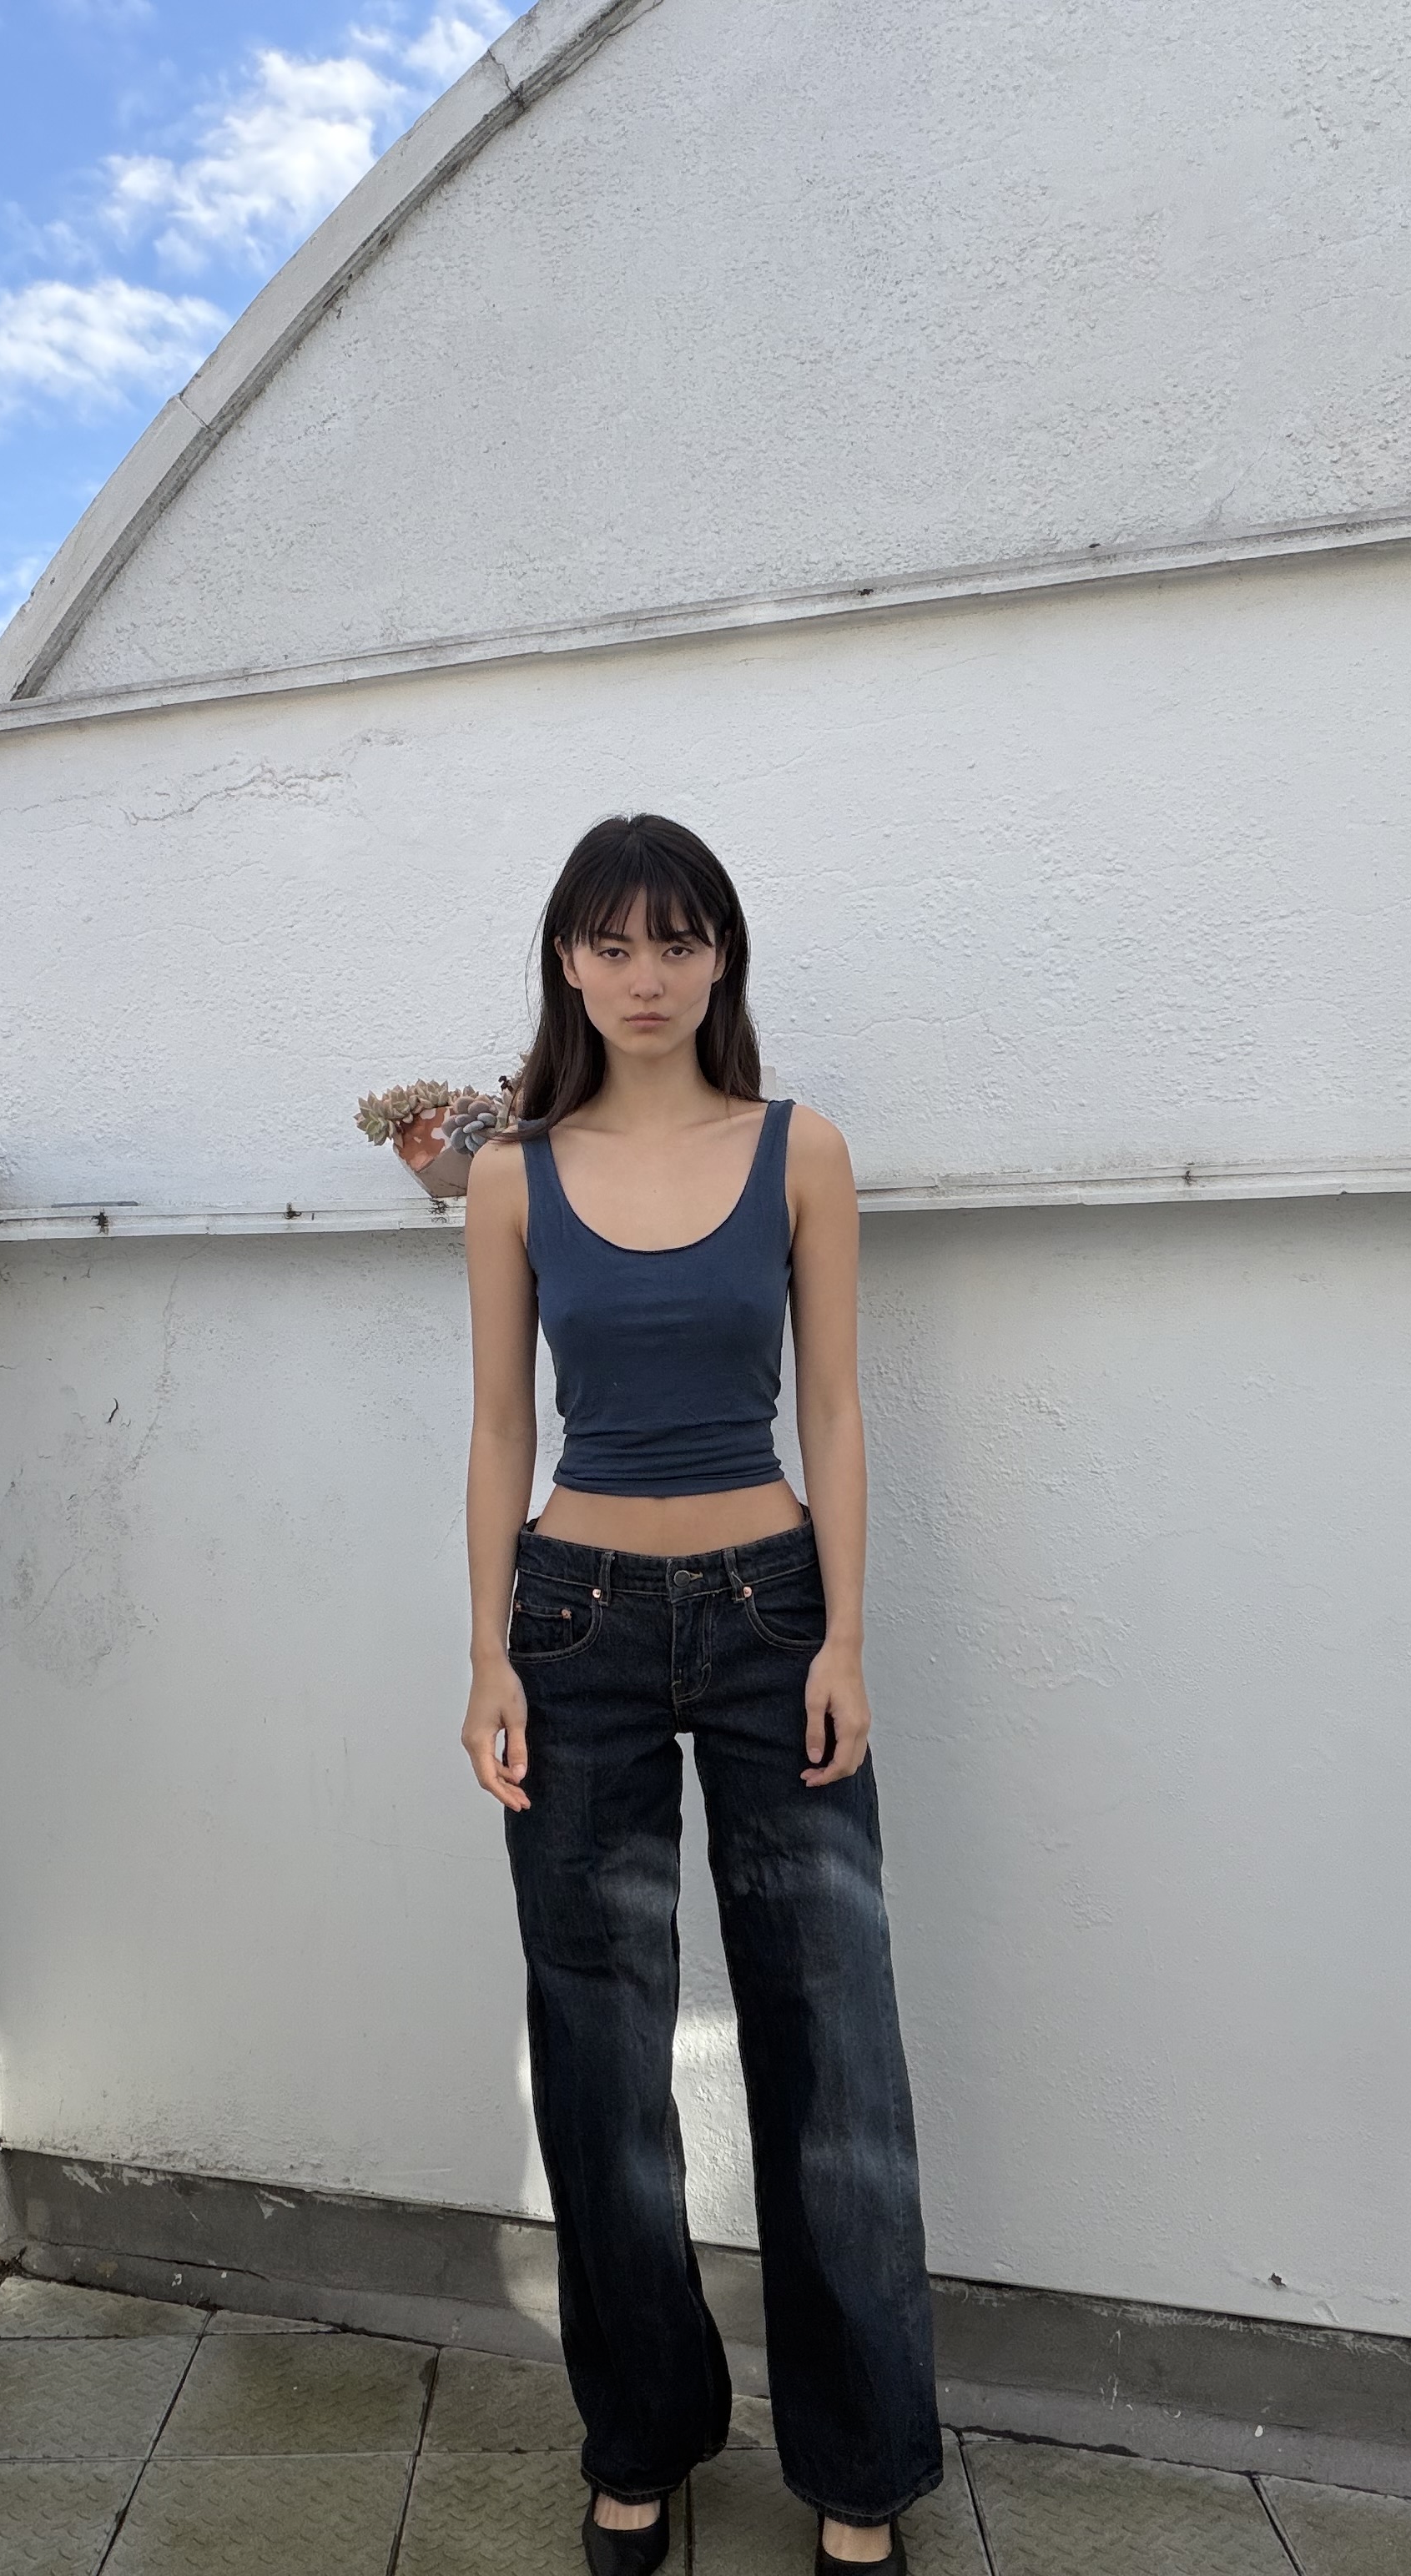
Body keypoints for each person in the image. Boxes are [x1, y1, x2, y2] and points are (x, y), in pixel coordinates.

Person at [461, 814, 943, 2575]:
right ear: (567, 964)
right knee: (600, 2054)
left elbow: (836, 1407)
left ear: (720, 956)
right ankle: (642, 2438)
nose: (645, 975)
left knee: (834, 2046)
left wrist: (847, 1635)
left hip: (769, 1614)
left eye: (677, 941)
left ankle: (860, 2467)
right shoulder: (512, 1174)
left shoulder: (800, 1150)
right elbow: (500, 1428)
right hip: (574, 1621)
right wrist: (488, 1650)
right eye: (613, 944)